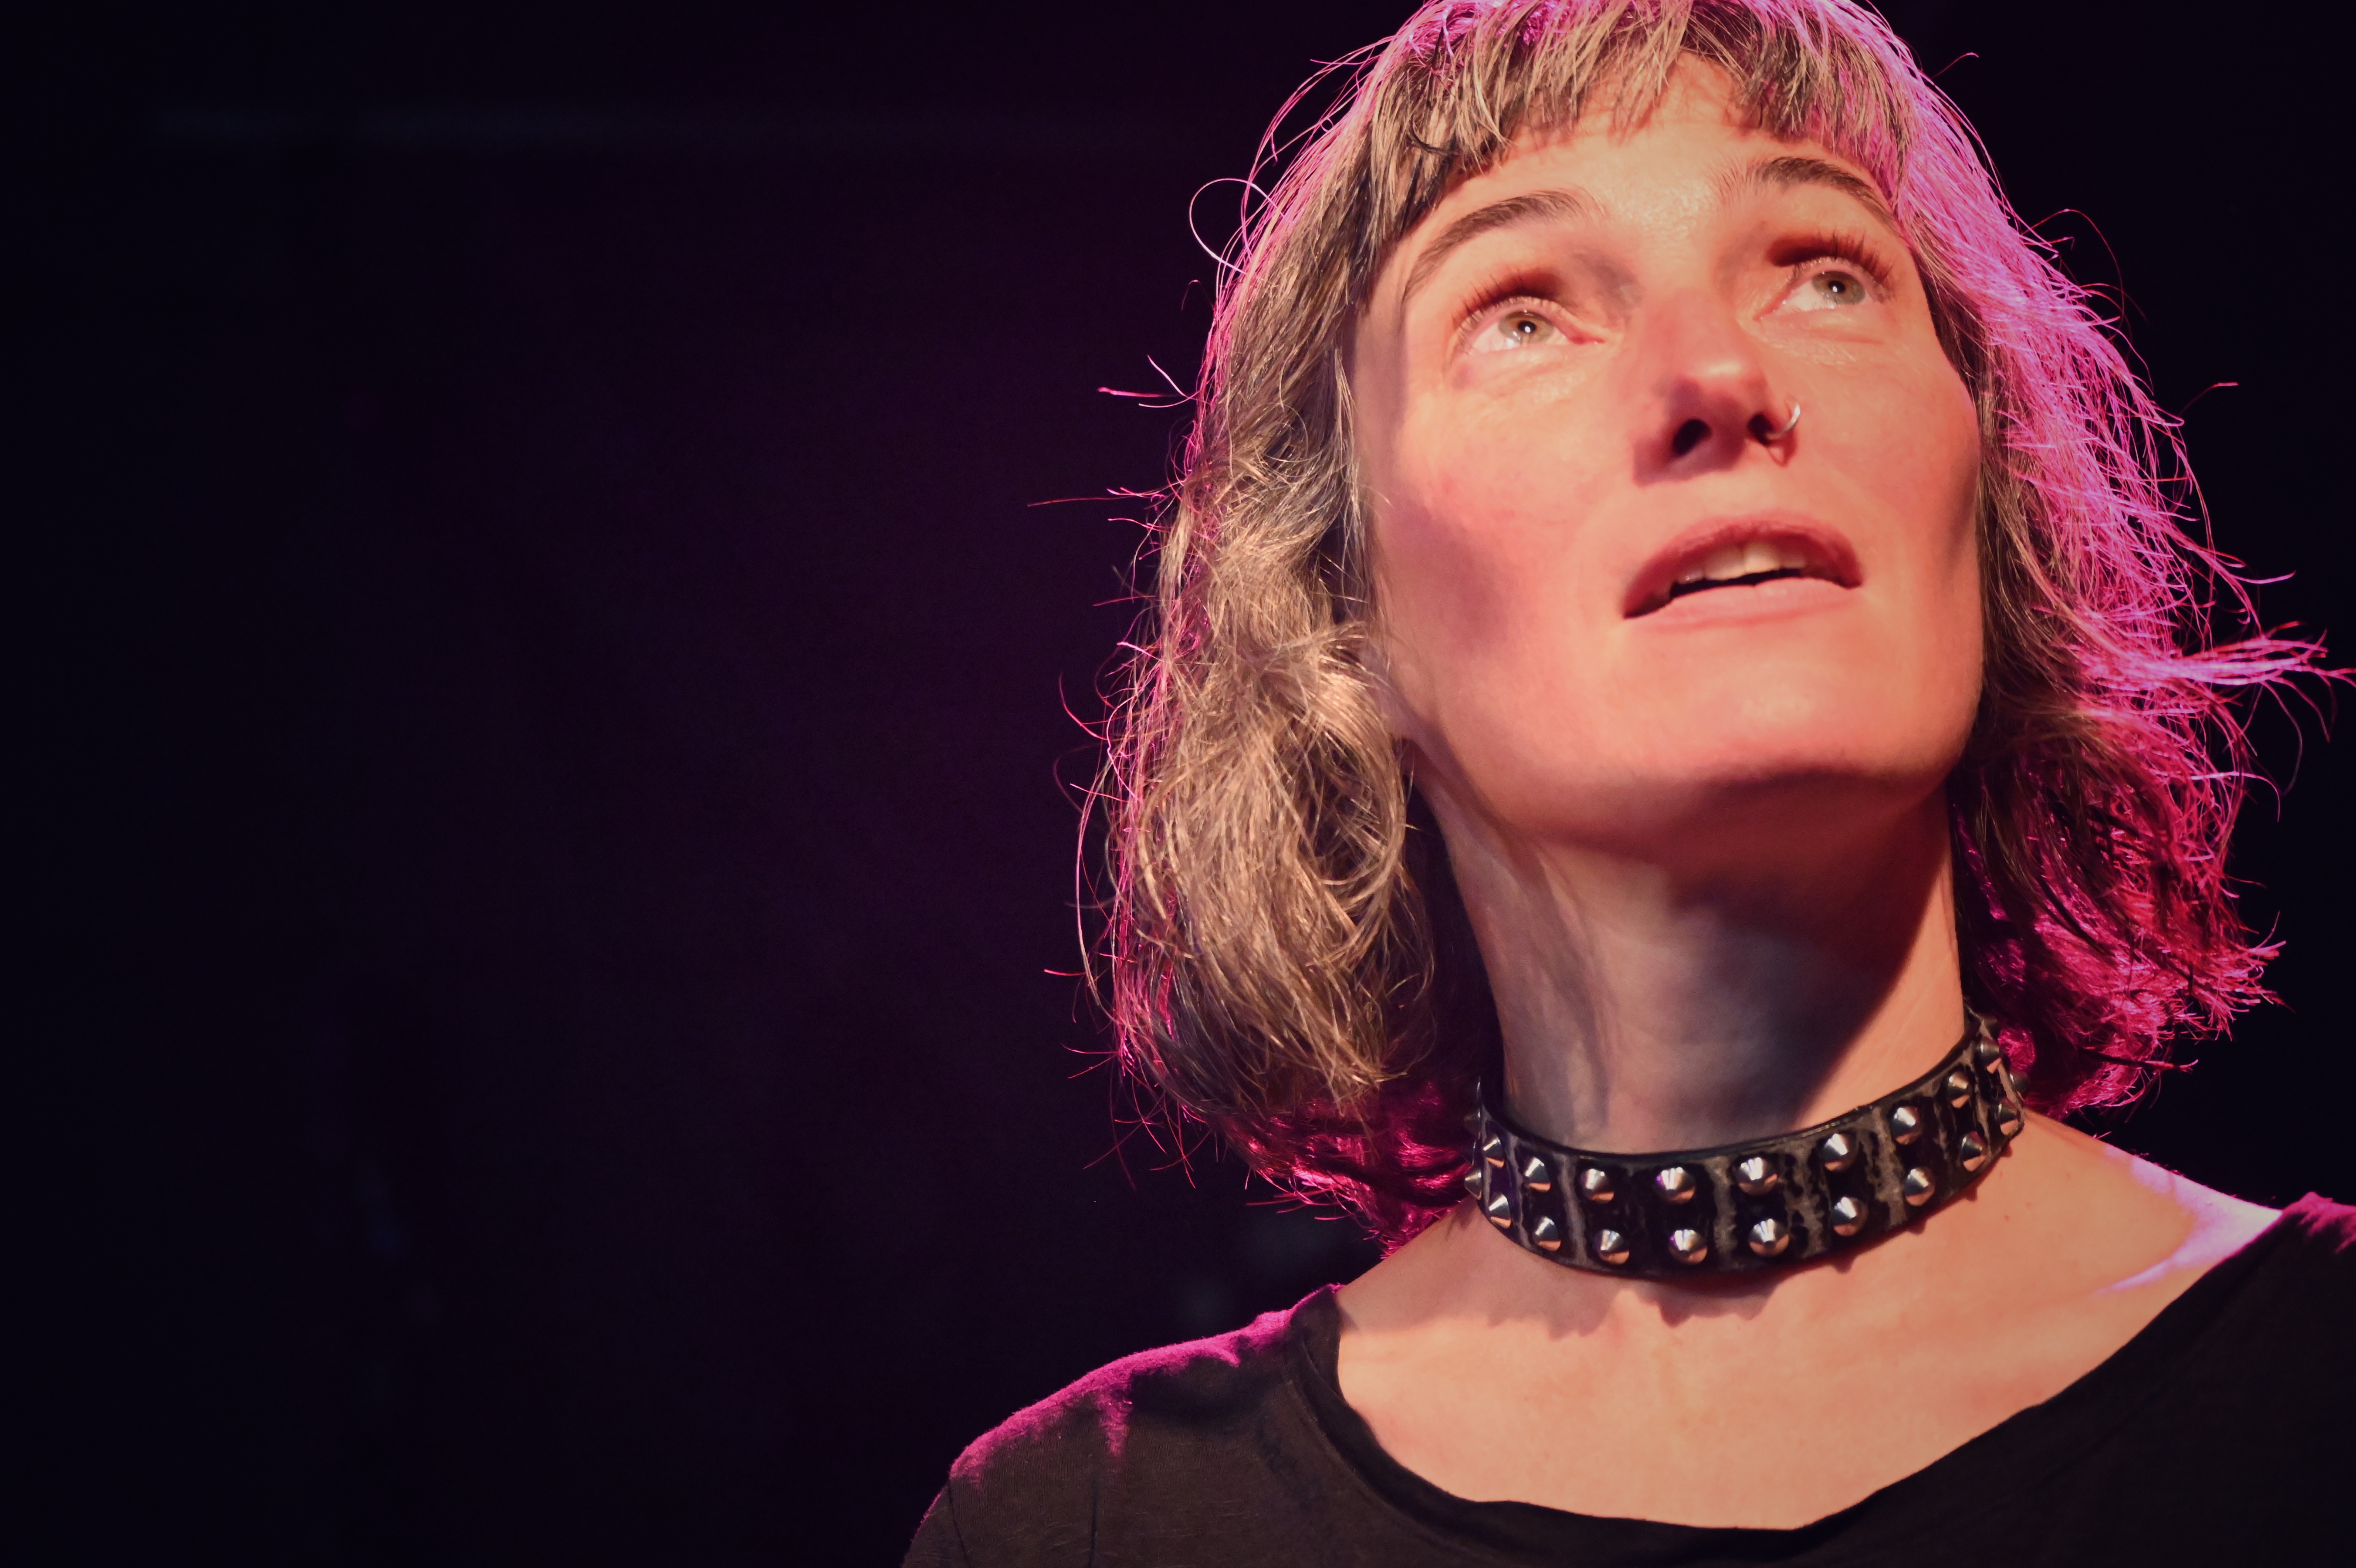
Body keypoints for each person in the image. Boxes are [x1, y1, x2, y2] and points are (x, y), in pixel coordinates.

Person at [906, 1, 2353, 1561]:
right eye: (1525, 314)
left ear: (1986, 504)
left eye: (1825, 271)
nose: (1722, 372)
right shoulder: (1099, 1531)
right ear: (1336, 620)